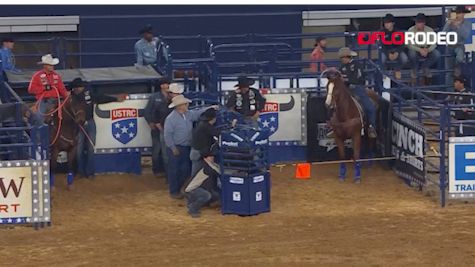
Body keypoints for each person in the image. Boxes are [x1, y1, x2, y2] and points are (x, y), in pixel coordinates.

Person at [70, 78, 126, 178]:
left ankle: (90, 172)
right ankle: (80, 172)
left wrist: (115, 99)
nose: (79, 89)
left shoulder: (88, 94)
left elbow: (100, 98)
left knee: (91, 148)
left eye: (80, 87)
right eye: (77, 87)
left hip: (90, 122)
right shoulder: (71, 97)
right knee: (78, 150)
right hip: (78, 125)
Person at [164, 95, 218, 199]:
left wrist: (209, 108)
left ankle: (182, 189)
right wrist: (172, 147)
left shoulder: (188, 114)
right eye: (185, 104)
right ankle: (174, 191)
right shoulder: (171, 119)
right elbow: (167, 135)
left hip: (186, 146)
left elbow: (198, 113)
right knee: (174, 170)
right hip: (176, 147)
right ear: (179, 106)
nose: (187, 105)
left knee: (184, 169)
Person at [338, 47, 377, 138]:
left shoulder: (357, 65)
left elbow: (359, 79)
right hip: (346, 89)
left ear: (346, 57)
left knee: (370, 108)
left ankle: (372, 127)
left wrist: (347, 80)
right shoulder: (342, 67)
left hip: (357, 88)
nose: (341, 60)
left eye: (342, 58)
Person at [28, 54, 69, 124]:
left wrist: (67, 97)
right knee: (38, 117)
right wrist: (44, 88)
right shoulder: (37, 76)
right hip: (44, 101)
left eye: (52, 65)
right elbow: (31, 90)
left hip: (56, 101)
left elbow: (62, 89)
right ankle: (38, 132)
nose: (52, 66)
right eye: (50, 65)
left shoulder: (57, 76)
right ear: (45, 66)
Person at [144, 77, 171, 177]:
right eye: (164, 84)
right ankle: (157, 170)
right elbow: (147, 111)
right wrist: (151, 122)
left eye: (167, 84)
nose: (166, 86)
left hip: (169, 127)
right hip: (157, 127)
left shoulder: (172, 97)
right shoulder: (154, 97)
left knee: (167, 151)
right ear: (161, 86)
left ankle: (166, 171)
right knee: (157, 149)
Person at [407, 13, 441, 85]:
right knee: (412, 53)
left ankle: (425, 67)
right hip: (416, 49)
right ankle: (415, 70)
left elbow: (434, 43)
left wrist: (427, 50)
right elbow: (409, 44)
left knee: (437, 54)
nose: (418, 24)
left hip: (426, 49)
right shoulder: (411, 30)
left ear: (424, 23)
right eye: (417, 22)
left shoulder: (429, 30)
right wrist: (419, 50)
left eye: (419, 22)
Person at [443, 6, 472, 85]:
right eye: (457, 13)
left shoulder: (467, 23)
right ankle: (450, 93)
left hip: (459, 45)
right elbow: (443, 34)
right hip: (449, 46)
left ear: (463, 14)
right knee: (448, 72)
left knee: (459, 58)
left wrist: (458, 27)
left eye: (460, 13)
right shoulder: (450, 22)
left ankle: (457, 67)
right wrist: (448, 24)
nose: (458, 15)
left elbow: (465, 35)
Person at [190, 108, 219, 178]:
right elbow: (218, 133)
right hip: (198, 153)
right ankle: (191, 188)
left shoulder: (202, 124)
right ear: (214, 118)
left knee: (197, 174)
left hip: (196, 152)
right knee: (195, 175)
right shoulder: (206, 126)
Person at [379, 13, 408, 80]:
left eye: (388, 22)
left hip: (396, 50)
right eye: (385, 22)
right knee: (382, 59)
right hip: (386, 51)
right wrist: (388, 53)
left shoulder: (398, 32)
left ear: (393, 23)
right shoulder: (381, 32)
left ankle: (397, 70)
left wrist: (397, 52)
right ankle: (383, 73)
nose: (386, 24)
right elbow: (381, 45)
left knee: (404, 58)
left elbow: (402, 44)